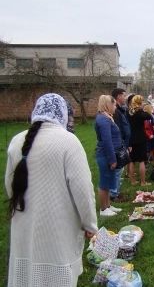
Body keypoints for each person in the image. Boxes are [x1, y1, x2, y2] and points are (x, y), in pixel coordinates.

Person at [5, 93, 98, 286]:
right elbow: (83, 191)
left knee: (27, 277)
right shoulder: (68, 142)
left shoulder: (16, 141)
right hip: (56, 231)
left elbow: (9, 186)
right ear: (63, 114)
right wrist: (90, 224)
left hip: (24, 224)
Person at [94, 95, 123, 217]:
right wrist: (112, 159)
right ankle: (103, 209)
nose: (115, 107)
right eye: (114, 105)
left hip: (109, 155)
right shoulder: (103, 120)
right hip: (105, 156)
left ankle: (108, 206)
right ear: (108, 105)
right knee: (104, 182)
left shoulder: (107, 118)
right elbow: (107, 141)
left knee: (108, 183)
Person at [127, 95, 154, 186]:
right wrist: (145, 109)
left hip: (132, 137)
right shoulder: (140, 113)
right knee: (142, 160)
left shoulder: (129, 112)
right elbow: (150, 116)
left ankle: (133, 181)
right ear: (139, 103)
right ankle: (143, 182)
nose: (143, 103)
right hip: (140, 138)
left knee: (132, 160)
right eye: (142, 102)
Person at [111, 88, 131, 203]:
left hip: (123, 144)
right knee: (118, 170)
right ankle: (114, 194)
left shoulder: (120, 110)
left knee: (120, 170)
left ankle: (116, 192)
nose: (125, 97)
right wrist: (123, 144)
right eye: (124, 95)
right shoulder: (116, 112)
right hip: (119, 145)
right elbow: (117, 130)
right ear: (118, 97)